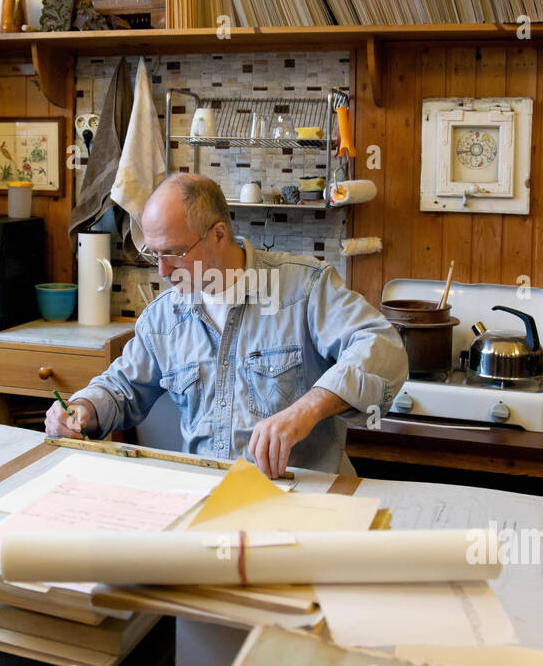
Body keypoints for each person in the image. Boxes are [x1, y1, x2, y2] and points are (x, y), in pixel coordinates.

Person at [45, 174, 408, 477]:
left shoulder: (305, 288)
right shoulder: (163, 316)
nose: (162, 271)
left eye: (173, 252)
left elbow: (383, 349)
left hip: (303, 499)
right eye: (153, 254)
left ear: (219, 234)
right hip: (208, 499)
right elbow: (122, 387)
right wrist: (82, 409)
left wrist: (306, 409)